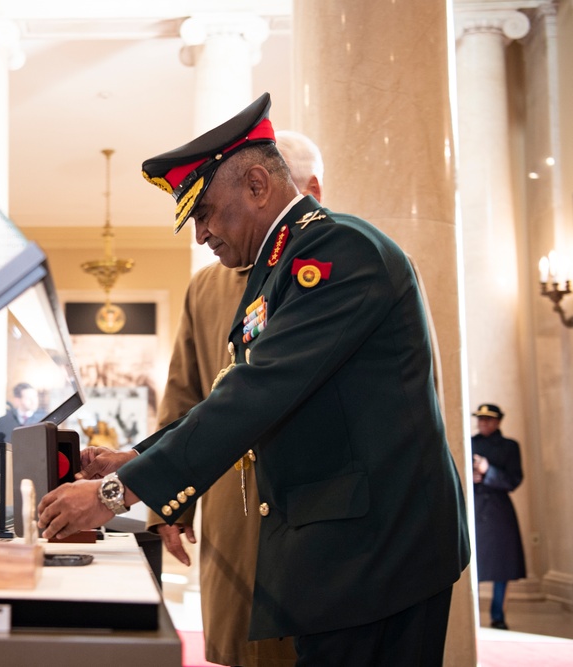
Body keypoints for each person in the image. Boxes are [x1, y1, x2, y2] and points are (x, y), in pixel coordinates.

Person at [38, 92, 470, 665]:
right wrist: (135, 457)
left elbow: (256, 395)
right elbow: (228, 391)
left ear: (259, 186)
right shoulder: (276, 269)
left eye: (205, 212)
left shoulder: (338, 253)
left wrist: (114, 495)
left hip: (377, 552)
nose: (200, 234)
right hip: (344, 550)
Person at [149, 129, 323, 667]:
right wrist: (167, 503)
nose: (203, 235)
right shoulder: (206, 288)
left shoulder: (328, 270)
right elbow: (184, 397)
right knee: (240, 650)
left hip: (305, 515)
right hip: (229, 508)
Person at [471, 403, 526, 630]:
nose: (483, 423)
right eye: (481, 419)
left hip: (497, 512)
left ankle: (498, 615)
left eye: (488, 420)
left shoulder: (509, 446)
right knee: (469, 564)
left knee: (502, 567)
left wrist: (487, 471)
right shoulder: (470, 442)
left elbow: (513, 480)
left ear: (498, 422)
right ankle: (470, 615)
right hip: (472, 508)